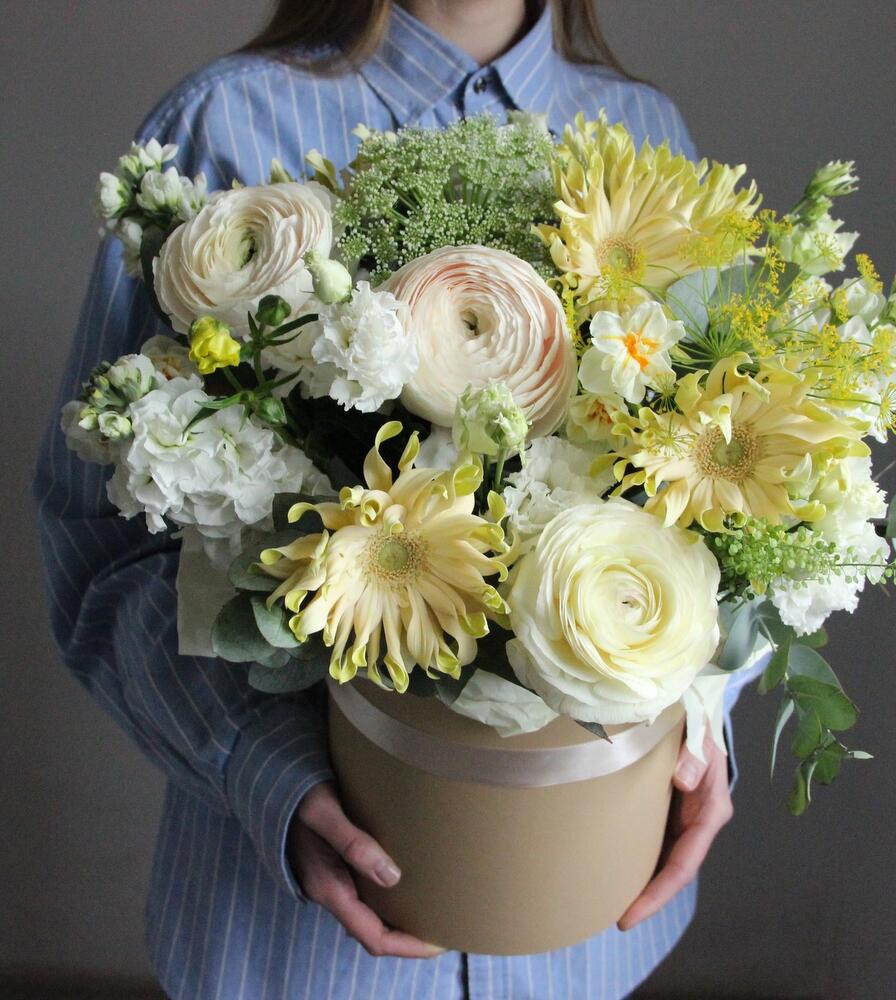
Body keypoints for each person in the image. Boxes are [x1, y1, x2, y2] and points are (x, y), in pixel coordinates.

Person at [34, 2, 753, 997]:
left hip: (588, 938)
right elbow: (99, 543)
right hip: (289, 946)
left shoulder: (646, 133)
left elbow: (735, 510)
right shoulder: (226, 126)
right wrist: (260, 766)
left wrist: (705, 726)